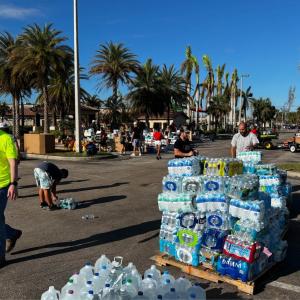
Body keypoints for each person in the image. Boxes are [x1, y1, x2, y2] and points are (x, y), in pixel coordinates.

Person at [0, 127, 22, 268]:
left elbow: (12, 162)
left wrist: (13, 183)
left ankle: (0, 257)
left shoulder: (5, 138)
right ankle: (12, 233)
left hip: (2, 185)